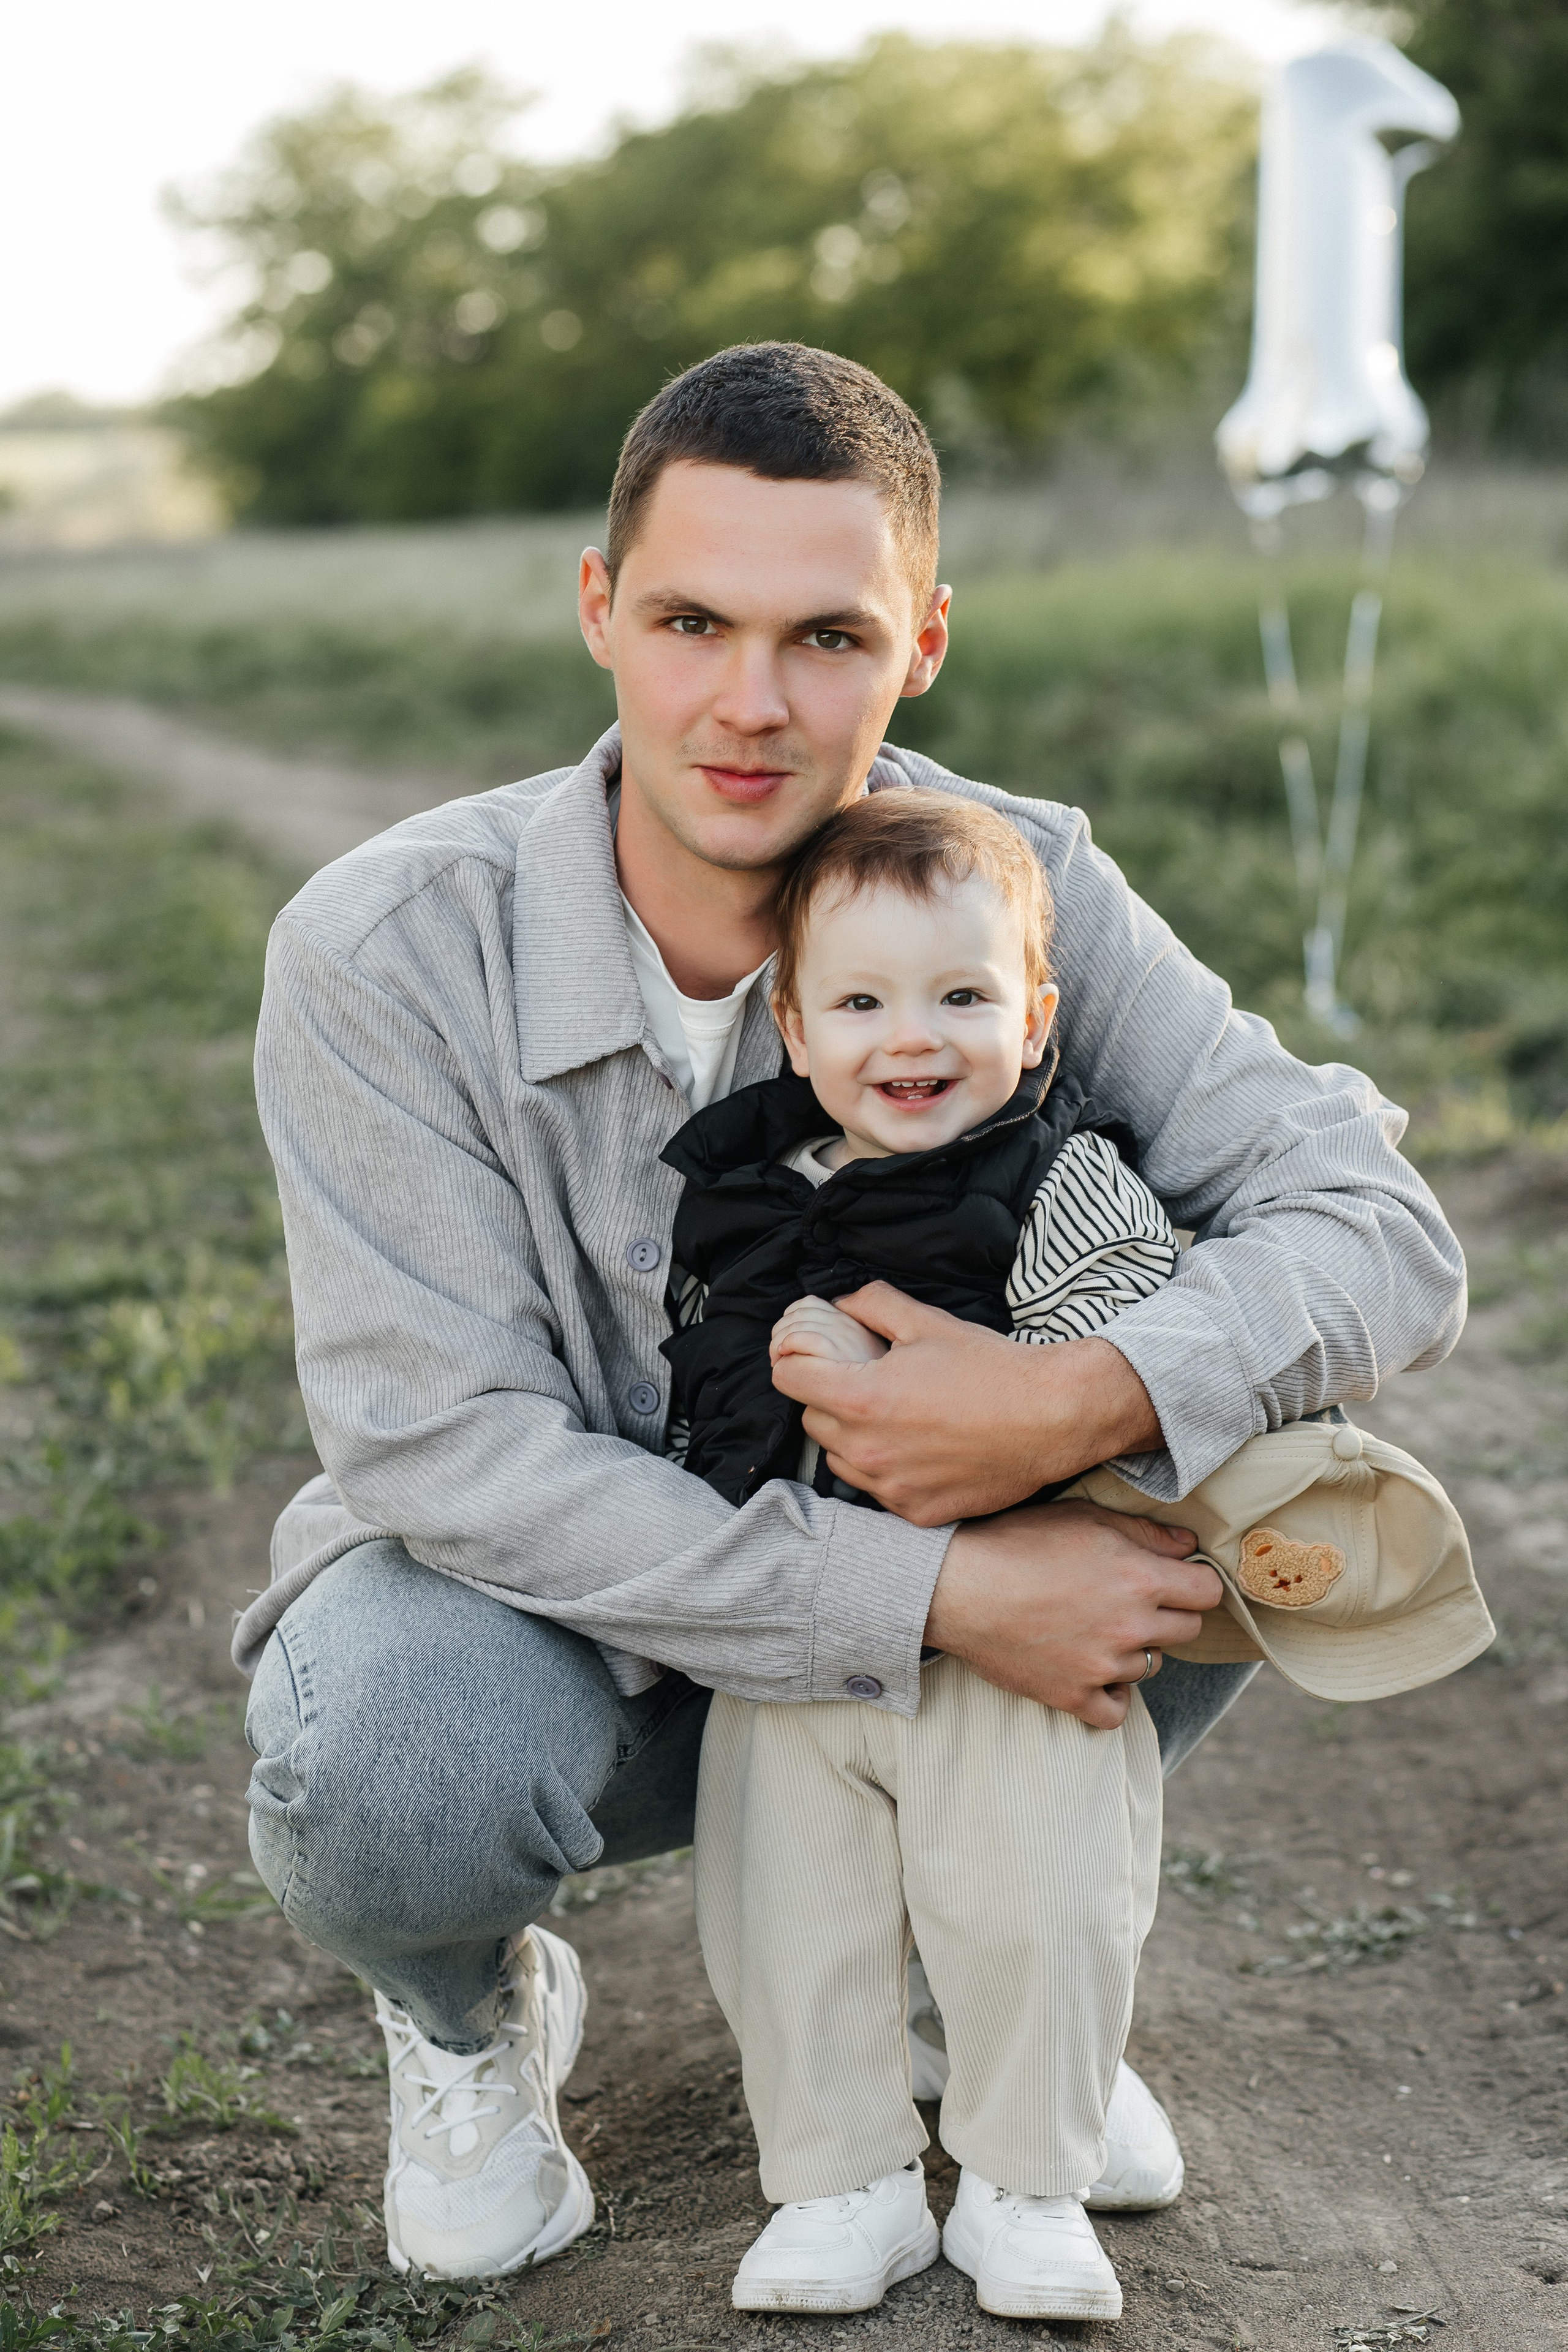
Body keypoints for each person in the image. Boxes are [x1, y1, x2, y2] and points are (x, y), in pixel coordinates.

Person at [235, 342, 1466, 2285]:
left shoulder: (1021, 881)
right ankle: (473, 2027)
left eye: (828, 636)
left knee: (1284, 1459)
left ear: (926, 643)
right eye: (691, 622)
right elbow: (436, 1442)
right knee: (389, 1765)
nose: (749, 704)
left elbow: (1373, 1222)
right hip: (577, 1628)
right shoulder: (387, 949)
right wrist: (937, 1595)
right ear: (595, 610)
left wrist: (1079, 1398)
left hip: (973, 1559)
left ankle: (976, 1975)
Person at [665, 786, 1178, 2321]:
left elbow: (1139, 1335)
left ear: (1033, 1019)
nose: (914, 1036)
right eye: (864, 1000)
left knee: (1039, 1892)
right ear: (796, 1031)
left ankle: (1026, 2182)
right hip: (801, 1612)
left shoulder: (1056, 1178)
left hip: (1011, 1623)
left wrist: (1015, 1388)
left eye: (962, 996)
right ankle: (844, 2184)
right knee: (788, 1910)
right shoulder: (752, 1193)